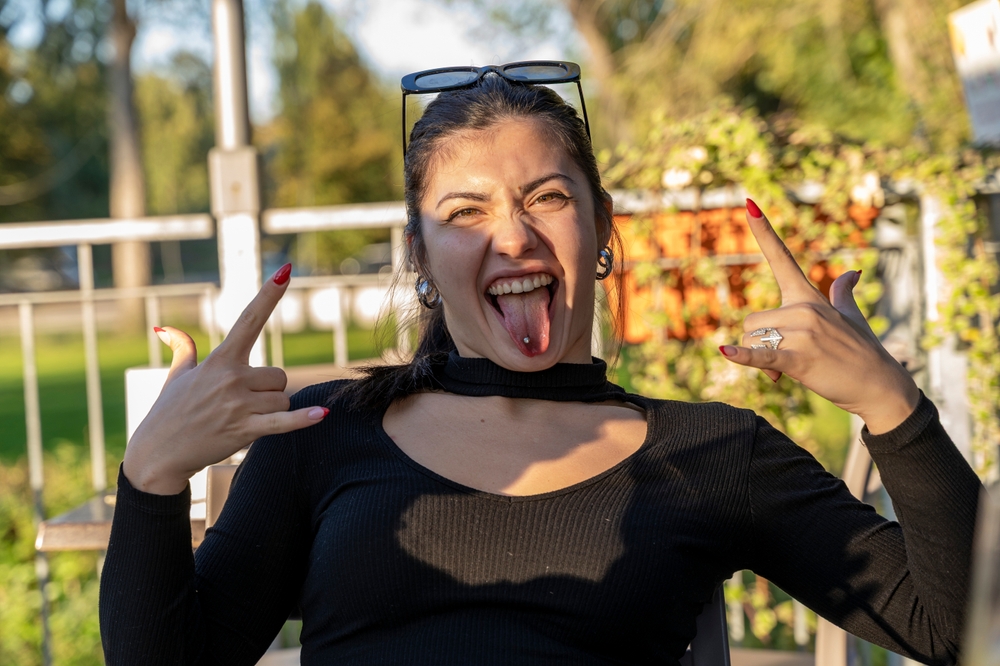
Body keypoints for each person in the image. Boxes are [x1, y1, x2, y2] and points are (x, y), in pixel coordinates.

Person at [100, 64, 983, 666]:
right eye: (466, 211)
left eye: (547, 198)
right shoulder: (325, 436)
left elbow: (959, 627)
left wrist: (892, 404)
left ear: (601, 227)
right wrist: (152, 474)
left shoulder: (715, 452)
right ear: (421, 252)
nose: (513, 235)